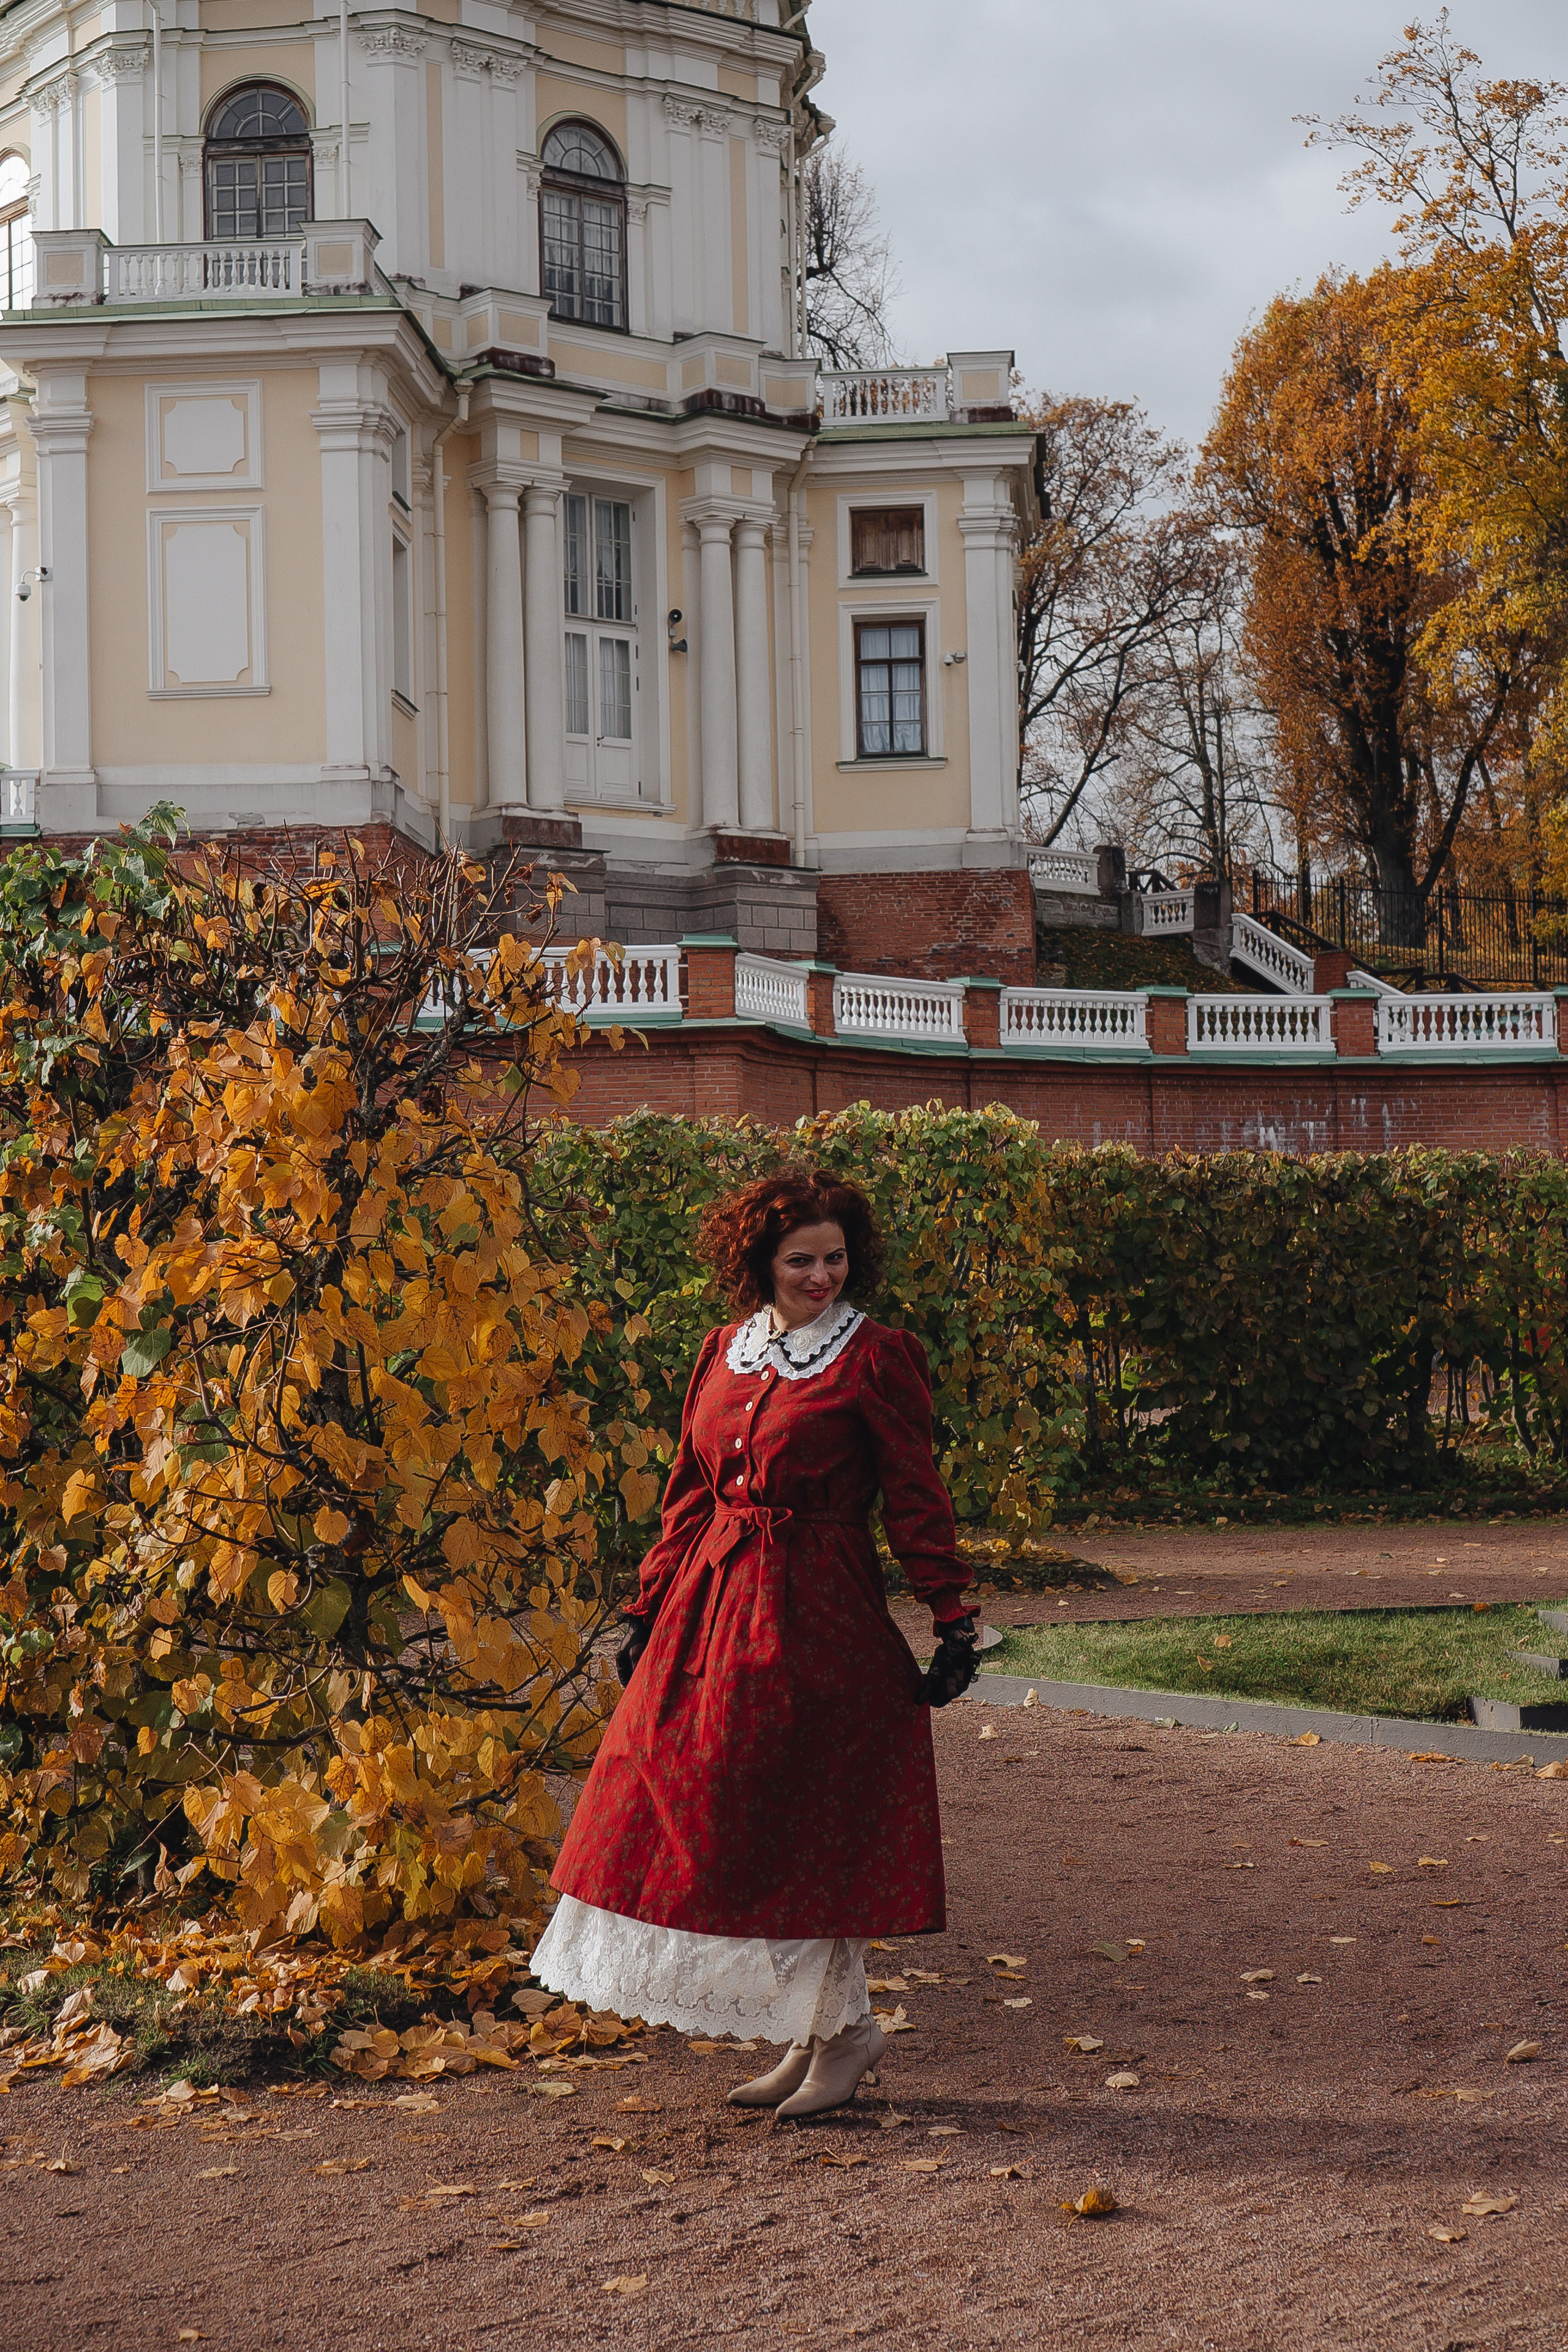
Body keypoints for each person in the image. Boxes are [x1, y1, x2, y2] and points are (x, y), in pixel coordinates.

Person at [530, 1166, 979, 2119]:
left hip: (820, 1616)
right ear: (759, 1265)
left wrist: (952, 1618)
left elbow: (915, 1496)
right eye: (801, 1261)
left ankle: (839, 2035)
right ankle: (827, 2030)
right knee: (690, 1798)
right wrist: (650, 1609)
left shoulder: (874, 1356)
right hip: (710, 1605)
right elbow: (689, 1497)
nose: (823, 1277)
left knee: (805, 1819)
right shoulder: (722, 1352)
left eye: (836, 1260)